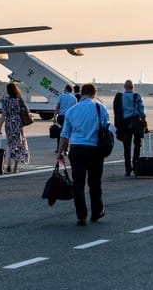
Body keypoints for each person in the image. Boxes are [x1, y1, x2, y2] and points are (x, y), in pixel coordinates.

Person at [57, 84, 110, 226]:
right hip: (95, 150)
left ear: (81, 93)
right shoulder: (101, 108)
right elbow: (106, 126)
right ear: (94, 93)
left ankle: (81, 216)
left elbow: (65, 134)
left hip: (77, 149)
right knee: (95, 183)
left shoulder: (71, 111)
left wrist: (60, 152)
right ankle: (97, 212)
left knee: (78, 184)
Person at [113, 80, 146, 176]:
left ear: (124, 87)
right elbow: (141, 110)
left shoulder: (120, 97)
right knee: (137, 144)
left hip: (125, 123)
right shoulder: (137, 96)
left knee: (126, 147)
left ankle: (128, 169)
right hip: (135, 121)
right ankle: (136, 166)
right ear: (133, 87)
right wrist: (144, 119)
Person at [0, 83, 30, 172]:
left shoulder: (5, 100)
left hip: (8, 123)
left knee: (9, 143)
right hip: (17, 123)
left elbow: (3, 114)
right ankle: (15, 167)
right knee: (17, 144)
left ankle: (8, 164)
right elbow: (27, 111)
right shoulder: (19, 99)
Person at [53, 84, 78, 153]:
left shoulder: (61, 96)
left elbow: (57, 107)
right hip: (70, 117)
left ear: (66, 89)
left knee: (60, 133)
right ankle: (66, 149)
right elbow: (75, 109)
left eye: (64, 88)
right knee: (68, 133)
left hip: (61, 116)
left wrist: (55, 116)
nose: (63, 89)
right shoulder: (74, 98)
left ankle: (58, 148)